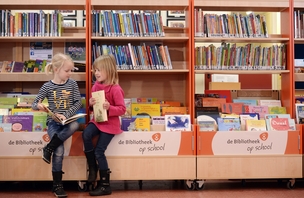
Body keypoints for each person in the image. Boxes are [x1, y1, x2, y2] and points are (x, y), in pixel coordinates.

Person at [32, 53, 82, 198]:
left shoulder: (72, 84)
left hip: (68, 121)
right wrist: (40, 106)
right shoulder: (46, 86)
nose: (69, 73)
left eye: (71, 70)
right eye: (67, 70)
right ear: (56, 69)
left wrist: (65, 115)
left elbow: (78, 102)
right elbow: (35, 104)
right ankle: (57, 186)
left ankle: (48, 148)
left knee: (74, 126)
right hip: (53, 122)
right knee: (58, 152)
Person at [82, 54, 126, 196]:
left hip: (110, 125)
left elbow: (122, 109)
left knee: (99, 151)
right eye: (95, 70)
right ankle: (93, 168)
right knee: (86, 134)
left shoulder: (115, 88)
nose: (97, 73)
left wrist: (110, 108)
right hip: (98, 120)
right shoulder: (95, 86)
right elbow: (92, 109)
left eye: (99, 70)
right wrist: (90, 105)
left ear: (109, 70)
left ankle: (105, 185)